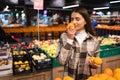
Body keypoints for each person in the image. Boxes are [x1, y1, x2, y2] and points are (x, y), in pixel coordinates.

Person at [56, 7, 101, 80]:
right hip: (69, 78)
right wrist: (70, 39)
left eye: (77, 19)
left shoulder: (94, 40)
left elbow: (96, 59)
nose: (73, 22)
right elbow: (62, 61)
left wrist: (94, 65)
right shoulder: (64, 37)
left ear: (85, 21)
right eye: (72, 19)